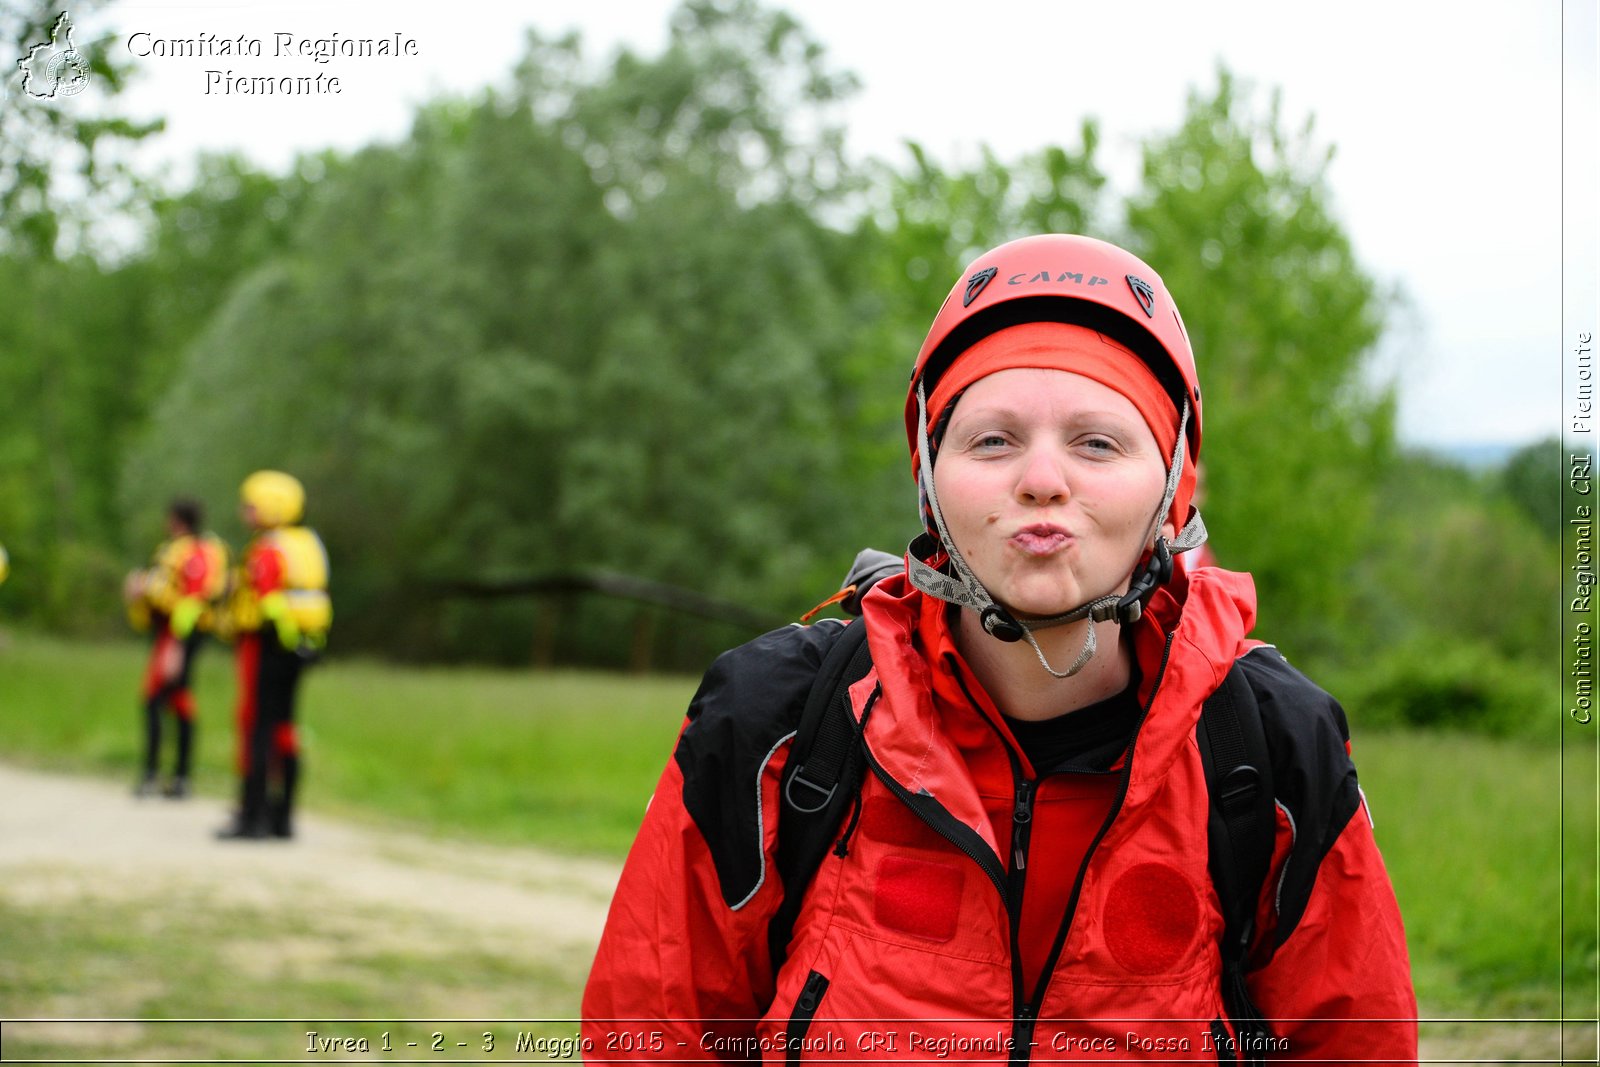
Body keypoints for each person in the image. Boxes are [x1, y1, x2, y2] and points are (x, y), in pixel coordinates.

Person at [581, 235, 1417, 1062]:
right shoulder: (777, 719)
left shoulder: (1272, 746)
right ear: (928, 472)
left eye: (1098, 442)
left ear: (1172, 485)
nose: (1042, 479)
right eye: (993, 440)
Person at [216, 470, 331, 841]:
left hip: (266, 645)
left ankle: (253, 816)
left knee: (257, 726)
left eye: (249, 506)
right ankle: (283, 818)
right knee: (286, 727)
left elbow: (267, 601)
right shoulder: (307, 544)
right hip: (303, 647)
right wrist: (303, 643)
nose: (244, 513)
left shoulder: (267, 549)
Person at [123, 498, 229, 799]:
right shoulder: (175, 550)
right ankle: (177, 777)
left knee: (155, 700)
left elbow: (193, 601)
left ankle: (159, 775)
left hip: (178, 635)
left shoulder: (194, 552)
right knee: (178, 700)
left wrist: (177, 645)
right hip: (169, 633)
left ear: (176, 519)